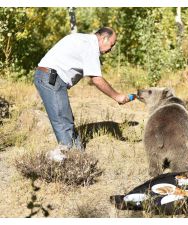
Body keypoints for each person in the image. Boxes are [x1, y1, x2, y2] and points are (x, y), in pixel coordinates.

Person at [34, 27, 130, 162]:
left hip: (50, 78)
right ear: (104, 38)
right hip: (51, 78)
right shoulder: (90, 45)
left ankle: (80, 159)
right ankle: (60, 163)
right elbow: (96, 79)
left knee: (66, 121)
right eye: (112, 44)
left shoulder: (83, 40)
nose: (111, 49)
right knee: (63, 123)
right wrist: (117, 96)